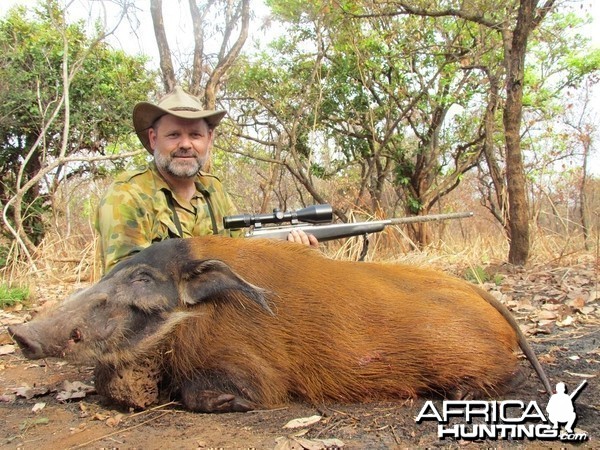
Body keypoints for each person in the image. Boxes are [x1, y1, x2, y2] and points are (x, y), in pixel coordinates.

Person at [96, 86, 317, 274]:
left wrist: (288, 252)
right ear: (153, 139)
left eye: (195, 135)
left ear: (209, 139)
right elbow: (124, 282)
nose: (185, 144)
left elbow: (242, 253)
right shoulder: (127, 194)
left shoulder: (214, 188)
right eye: (173, 135)